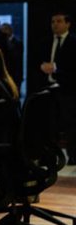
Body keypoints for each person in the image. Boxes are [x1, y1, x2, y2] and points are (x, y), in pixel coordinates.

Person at [41, 12, 76, 159]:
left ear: (67, 24)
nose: (55, 24)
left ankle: (73, 155)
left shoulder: (73, 41)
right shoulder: (46, 41)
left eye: (59, 21)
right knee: (49, 122)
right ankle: (50, 155)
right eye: (53, 21)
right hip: (48, 88)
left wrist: (56, 68)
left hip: (68, 89)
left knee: (70, 122)